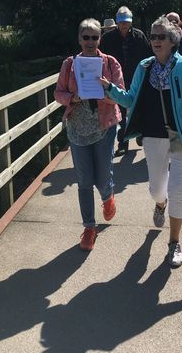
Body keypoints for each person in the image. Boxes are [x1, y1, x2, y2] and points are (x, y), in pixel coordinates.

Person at [99, 16, 182, 268]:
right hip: (153, 135)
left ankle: (174, 242)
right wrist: (110, 89)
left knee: (178, 190)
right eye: (153, 36)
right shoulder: (144, 67)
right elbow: (130, 99)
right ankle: (160, 204)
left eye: (161, 36)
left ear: (173, 40)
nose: (156, 40)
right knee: (157, 190)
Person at [54, 18, 124, 251]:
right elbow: (58, 93)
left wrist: (106, 90)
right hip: (77, 129)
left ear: (100, 39)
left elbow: (121, 94)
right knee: (84, 181)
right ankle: (89, 228)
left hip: (104, 126)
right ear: (79, 39)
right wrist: (72, 98)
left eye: (95, 37)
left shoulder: (110, 63)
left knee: (102, 179)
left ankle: (108, 196)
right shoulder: (69, 64)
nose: (90, 41)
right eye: (86, 37)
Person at [99, 6, 151, 154]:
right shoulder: (107, 38)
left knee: (139, 108)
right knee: (121, 111)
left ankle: (140, 133)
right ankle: (123, 143)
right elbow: (101, 59)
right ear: (117, 22)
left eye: (126, 22)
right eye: (121, 22)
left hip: (136, 78)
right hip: (117, 80)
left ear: (131, 22)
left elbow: (148, 57)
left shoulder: (140, 36)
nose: (124, 25)